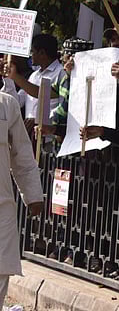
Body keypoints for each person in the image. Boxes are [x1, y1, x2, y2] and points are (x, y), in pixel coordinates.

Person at [0, 91, 44, 308]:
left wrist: (33, 194)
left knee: (0, 269)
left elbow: (22, 153)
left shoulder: (7, 104)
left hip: (1, 206)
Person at [4, 33, 65, 136]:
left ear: (42, 53)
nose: (31, 55)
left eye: (33, 52)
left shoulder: (61, 73)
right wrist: (8, 78)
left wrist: (38, 120)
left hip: (50, 136)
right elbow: (17, 101)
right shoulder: (34, 76)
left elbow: (42, 93)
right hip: (30, 135)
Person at [47, 37, 94, 139]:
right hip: (59, 133)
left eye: (66, 56)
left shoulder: (90, 81)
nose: (63, 60)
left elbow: (72, 100)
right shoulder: (62, 76)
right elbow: (50, 93)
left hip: (78, 135)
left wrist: (70, 78)